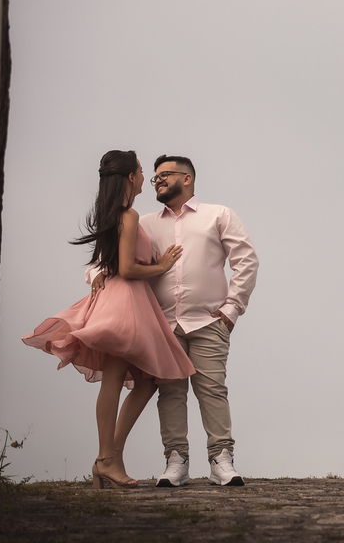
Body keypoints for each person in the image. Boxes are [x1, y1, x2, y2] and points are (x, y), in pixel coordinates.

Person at [23, 150, 195, 488]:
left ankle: (109, 458)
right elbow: (128, 269)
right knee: (115, 380)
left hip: (127, 299)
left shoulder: (117, 214)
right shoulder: (128, 215)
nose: (147, 177)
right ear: (131, 177)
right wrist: (161, 266)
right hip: (125, 301)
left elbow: (110, 262)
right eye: (143, 172)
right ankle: (106, 460)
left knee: (144, 383)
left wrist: (110, 269)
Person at [141, 155, 258, 487]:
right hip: (164, 325)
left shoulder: (218, 215)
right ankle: (175, 460)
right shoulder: (147, 224)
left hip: (209, 322)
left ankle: (222, 459)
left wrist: (231, 310)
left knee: (212, 389)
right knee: (170, 393)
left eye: (165, 175)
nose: (158, 181)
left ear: (187, 178)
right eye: (155, 177)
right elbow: (119, 256)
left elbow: (246, 260)